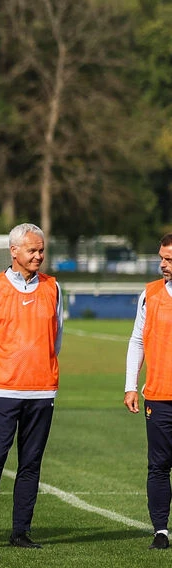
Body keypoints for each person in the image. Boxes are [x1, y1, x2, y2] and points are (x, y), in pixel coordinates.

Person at [0, 223, 62, 551]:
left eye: (41, 250)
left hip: (42, 392)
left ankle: (21, 531)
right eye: (32, 250)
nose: (38, 256)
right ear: (14, 251)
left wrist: (40, 369)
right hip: (3, 393)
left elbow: (56, 339)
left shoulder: (53, 288)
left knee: (31, 463)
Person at [123, 234, 172, 550]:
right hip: (159, 396)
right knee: (159, 465)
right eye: (162, 258)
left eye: (169, 260)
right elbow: (137, 341)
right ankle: (161, 531)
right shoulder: (150, 294)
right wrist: (131, 385)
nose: (163, 264)